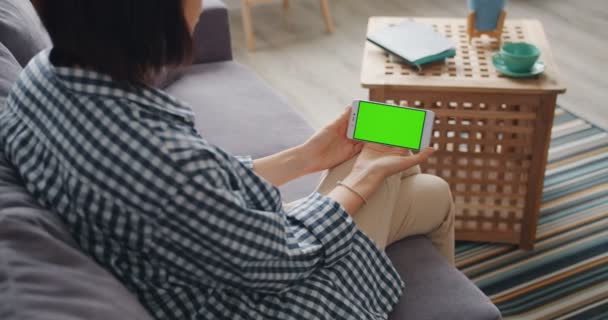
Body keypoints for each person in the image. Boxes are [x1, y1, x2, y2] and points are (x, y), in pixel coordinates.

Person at [0, 0, 454, 319]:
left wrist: (306, 156)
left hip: (202, 259)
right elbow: (283, 257)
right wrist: (363, 176)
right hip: (248, 298)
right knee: (413, 183)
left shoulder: (44, 78)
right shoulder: (164, 162)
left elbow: (196, 199)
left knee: (418, 185)